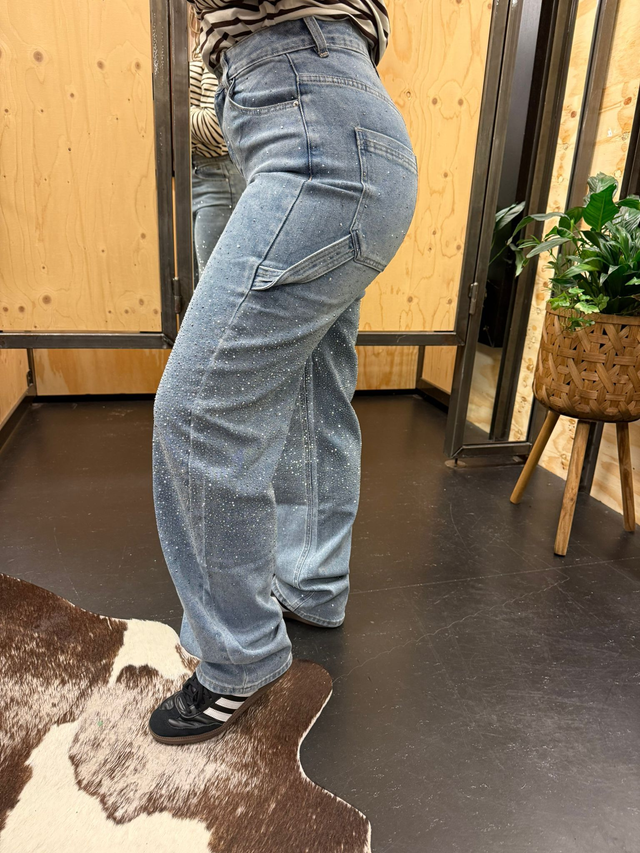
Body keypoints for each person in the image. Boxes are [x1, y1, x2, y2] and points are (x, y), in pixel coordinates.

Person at [149, 0, 418, 745]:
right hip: (350, 131)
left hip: (314, 141)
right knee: (314, 385)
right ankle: (313, 583)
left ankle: (239, 657)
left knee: (200, 412)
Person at [189, 10, 246, 282]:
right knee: (198, 280)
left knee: (214, 281)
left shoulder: (216, 55)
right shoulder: (192, 57)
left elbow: (215, 129)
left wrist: (174, 112)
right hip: (191, 178)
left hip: (219, 179)